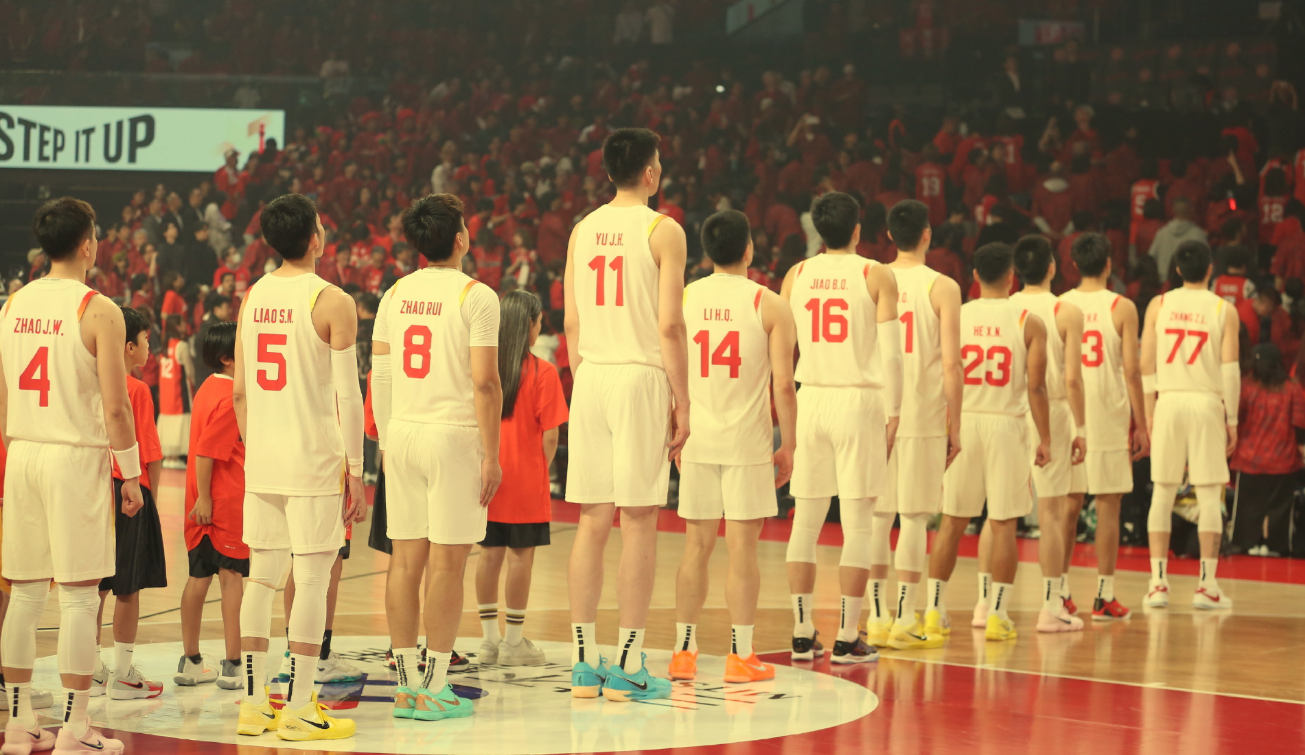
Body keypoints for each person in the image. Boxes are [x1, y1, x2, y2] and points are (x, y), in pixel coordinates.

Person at [1, 197, 144, 754]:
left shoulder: (14, 302)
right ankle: (76, 728)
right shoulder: (98, 309)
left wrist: (15, 448)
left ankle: (19, 726)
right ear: (87, 244)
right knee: (80, 599)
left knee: (25, 595)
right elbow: (117, 407)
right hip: (73, 456)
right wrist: (129, 473)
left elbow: (3, 393)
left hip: (23, 452)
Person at [232, 193, 364, 741]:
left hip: (263, 460)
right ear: (315, 237)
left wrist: (258, 447)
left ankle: (252, 706)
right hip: (314, 461)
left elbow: (240, 392)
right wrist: (356, 468)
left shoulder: (253, 295)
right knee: (310, 580)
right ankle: (301, 707)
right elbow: (348, 396)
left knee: (261, 580)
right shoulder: (332, 300)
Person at [564, 128, 689, 702]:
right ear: (650, 173)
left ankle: (583, 664)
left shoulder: (581, 229)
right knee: (638, 521)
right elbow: (670, 325)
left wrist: (586, 377)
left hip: (591, 374)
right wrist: (682, 400)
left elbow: (571, 323)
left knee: (592, 520)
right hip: (640, 375)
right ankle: (629, 664)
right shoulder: (664, 230)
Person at [373, 193, 502, 721]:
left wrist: (386, 441)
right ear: (460, 238)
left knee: (404, 562)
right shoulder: (477, 296)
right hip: (453, 435)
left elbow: (380, 375)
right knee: (448, 564)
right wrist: (491, 454)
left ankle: (407, 686)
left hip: (402, 431)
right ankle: (435, 686)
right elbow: (486, 383)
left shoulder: (394, 293)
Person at [668, 210, 798, 683]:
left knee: (695, 547)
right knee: (743, 551)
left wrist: (674, 428)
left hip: (698, 438)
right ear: (749, 250)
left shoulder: (684, 297)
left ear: (706, 251)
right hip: (747, 443)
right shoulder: (770, 303)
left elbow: (668, 368)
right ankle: (741, 656)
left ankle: (683, 652)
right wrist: (790, 445)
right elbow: (783, 385)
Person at [781, 190, 902, 665]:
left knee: (805, 521)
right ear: (857, 229)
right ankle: (848, 637)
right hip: (858, 399)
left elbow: (782, 348)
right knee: (858, 525)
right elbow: (892, 356)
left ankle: (801, 631)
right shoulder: (876, 274)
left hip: (810, 396)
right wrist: (895, 412)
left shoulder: (796, 274)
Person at [924, 242, 1051, 642]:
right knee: (1004, 525)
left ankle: (933, 612)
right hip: (1006, 425)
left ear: (975, 276)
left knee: (951, 523)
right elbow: (1037, 388)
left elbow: (941, 372)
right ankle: (997, 615)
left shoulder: (957, 315)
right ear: (1012, 276)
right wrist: (1046, 437)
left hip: (963, 421)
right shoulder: (1030, 321)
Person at [864, 200, 961, 649]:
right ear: (927, 234)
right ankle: (905, 618)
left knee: (878, 517)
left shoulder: (871, 276)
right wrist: (956, 423)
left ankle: (877, 617)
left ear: (889, 235)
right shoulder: (942, 286)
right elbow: (952, 365)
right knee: (915, 517)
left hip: (878, 410)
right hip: (922, 412)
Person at [1140, 240, 1241, 609]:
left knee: (1163, 492)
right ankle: (1207, 586)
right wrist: (1232, 419)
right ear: (1210, 269)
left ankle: (1158, 584)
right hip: (1206, 403)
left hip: (1168, 401)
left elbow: (1146, 366)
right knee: (1210, 494)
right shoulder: (1224, 309)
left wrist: (1149, 413)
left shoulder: (1159, 305)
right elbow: (1231, 372)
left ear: (1178, 270)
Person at [1060, 233, 1149, 619]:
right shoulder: (1122, 306)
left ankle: (1059, 591)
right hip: (1110, 414)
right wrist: (1141, 424)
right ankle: (1104, 595)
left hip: (1071, 414)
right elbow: (1132, 371)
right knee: (1108, 506)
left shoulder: (1061, 303)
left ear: (1074, 265)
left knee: (1067, 506)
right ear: (1109, 264)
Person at [475, 291, 567, 667]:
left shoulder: (484, 368)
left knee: (488, 555)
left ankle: (488, 641)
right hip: (526, 480)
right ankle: (513, 643)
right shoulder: (543, 372)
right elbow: (551, 436)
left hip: (487, 477)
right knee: (520, 559)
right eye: (539, 321)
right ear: (529, 325)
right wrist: (538, 468)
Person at [1007, 236, 1088, 632]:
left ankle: (988, 605)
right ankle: (1051, 605)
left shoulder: (1004, 307)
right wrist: (1081, 428)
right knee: (1051, 515)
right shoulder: (1065, 311)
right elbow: (1072, 379)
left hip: (1008, 410)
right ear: (1052, 268)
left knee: (1000, 515)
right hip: (1051, 410)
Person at [94, 306, 168, 700]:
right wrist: (150, 494)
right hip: (129, 490)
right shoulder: (136, 389)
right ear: (127, 346)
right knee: (129, 585)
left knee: (93, 586)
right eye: (145, 340)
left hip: (93, 490)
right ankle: (122, 673)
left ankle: (91, 669)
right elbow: (149, 451)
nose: (149, 347)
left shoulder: (90, 382)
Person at [177, 321, 247, 690]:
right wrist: (207, 497)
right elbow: (207, 451)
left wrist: (200, 496)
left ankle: (190, 660)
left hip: (199, 496)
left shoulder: (206, 386)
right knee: (231, 577)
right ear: (227, 358)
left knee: (198, 576)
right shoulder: (233, 396)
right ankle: (234, 664)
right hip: (223, 499)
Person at [158, 315, 194, 469]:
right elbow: (190, 371)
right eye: (183, 323)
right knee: (180, 421)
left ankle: (169, 457)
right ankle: (176, 457)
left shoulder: (164, 346)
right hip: (178, 392)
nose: (185, 325)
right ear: (177, 327)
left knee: (168, 422)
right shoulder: (181, 346)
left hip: (166, 392)